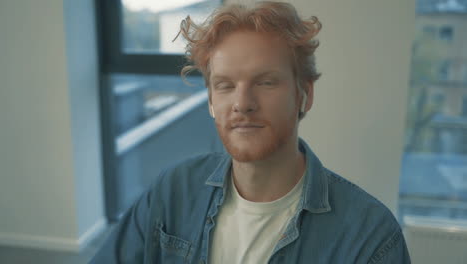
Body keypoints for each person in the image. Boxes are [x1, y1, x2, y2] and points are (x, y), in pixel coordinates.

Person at [90, 1, 411, 263]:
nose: (242, 103)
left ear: (305, 94)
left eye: (266, 82)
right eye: (225, 86)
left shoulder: (370, 237)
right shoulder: (172, 191)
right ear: (212, 102)